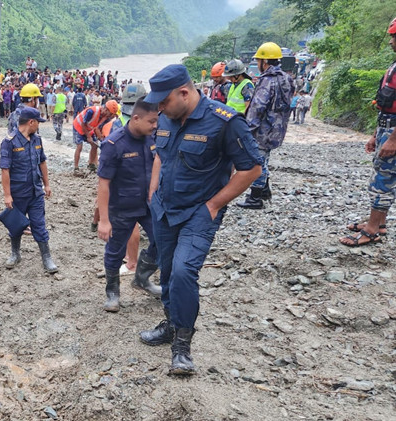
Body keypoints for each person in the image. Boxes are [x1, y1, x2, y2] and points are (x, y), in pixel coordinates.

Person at [138, 65, 262, 375]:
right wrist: (153, 190)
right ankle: (170, 324)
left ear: (184, 92)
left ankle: (182, 344)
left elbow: (251, 169)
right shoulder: (166, 118)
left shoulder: (224, 122)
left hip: (199, 212)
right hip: (165, 209)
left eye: (163, 101)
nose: (159, 109)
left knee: (182, 272)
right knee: (167, 270)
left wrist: (214, 204)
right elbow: (159, 156)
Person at [97, 97, 163, 312]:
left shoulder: (151, 138)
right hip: (123, 207)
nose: (155, 125)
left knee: (161, 242)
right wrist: (104, 221)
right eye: (151, 121)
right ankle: (112, 292)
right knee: (115, 251)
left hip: (149, 206)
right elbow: (104, 184)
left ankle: (142, 278)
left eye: (157, 121)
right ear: (135, 118)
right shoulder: (114, 144)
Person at [340, 18, 396, 247]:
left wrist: (393, 139)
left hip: (393, 130)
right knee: (384, 175)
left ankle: (372, 229)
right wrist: (376, 134)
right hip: (386, 125)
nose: (391, 41)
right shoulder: (393, 66)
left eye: (394, 37)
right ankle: (378, 223)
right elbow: (385, 103)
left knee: (382, 179)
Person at [0, 108, 59, 274]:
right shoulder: (9, 142)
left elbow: (43, 162)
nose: (39, 125)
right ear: (31, 122)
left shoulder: (37, 140)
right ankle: (15, 253)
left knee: (39, 224)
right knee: (16, 225)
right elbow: (5, 170)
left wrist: (47, 184)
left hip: (35, 191)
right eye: (38, 122)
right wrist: (7, 195)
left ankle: (46, 257)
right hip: (18, 193)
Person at [237, 42, 294, 210]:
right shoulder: (286, 78)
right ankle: (264, 191)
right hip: (277, 128)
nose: (258, 65)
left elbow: (258, 106)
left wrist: (247, 129)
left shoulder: (267, 81)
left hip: (263, 129)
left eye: (259, 61)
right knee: (264, 158)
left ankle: (255, 198)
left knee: (257, 161)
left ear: (265, 62)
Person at [73, 101, 117, 172]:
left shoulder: (105, 117)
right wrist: (88, 137)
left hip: (89, 129)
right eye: (110, 114)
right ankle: (76, 168)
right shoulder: (91, 111)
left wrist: (102, 139)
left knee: (94, 145)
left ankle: (91, 165)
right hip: (78, 126)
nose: (110, 116)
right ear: (106, 109)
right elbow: (83, 124)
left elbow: (97, 128)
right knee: (79, 146)